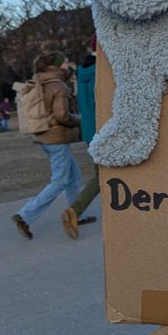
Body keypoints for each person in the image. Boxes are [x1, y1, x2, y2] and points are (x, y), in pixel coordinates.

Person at [11, 51, 83, 239]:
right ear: (58, 66)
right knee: (60, 181)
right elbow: (62, 115)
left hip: (45, 136)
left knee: (74, 177)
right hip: (56, 138)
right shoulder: (58, 85)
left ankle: (76, 212)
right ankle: (25, 215)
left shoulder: (41, 81)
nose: (68, 65)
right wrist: (81, 120)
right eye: (66, 62)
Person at [61, 44, 100, 239]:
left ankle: (76, 210)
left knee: (103, 176)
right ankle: (75, 210)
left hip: (90, 131)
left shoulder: (84, 70)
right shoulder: (101, 69)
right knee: (104, 177)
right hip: (104, 130)